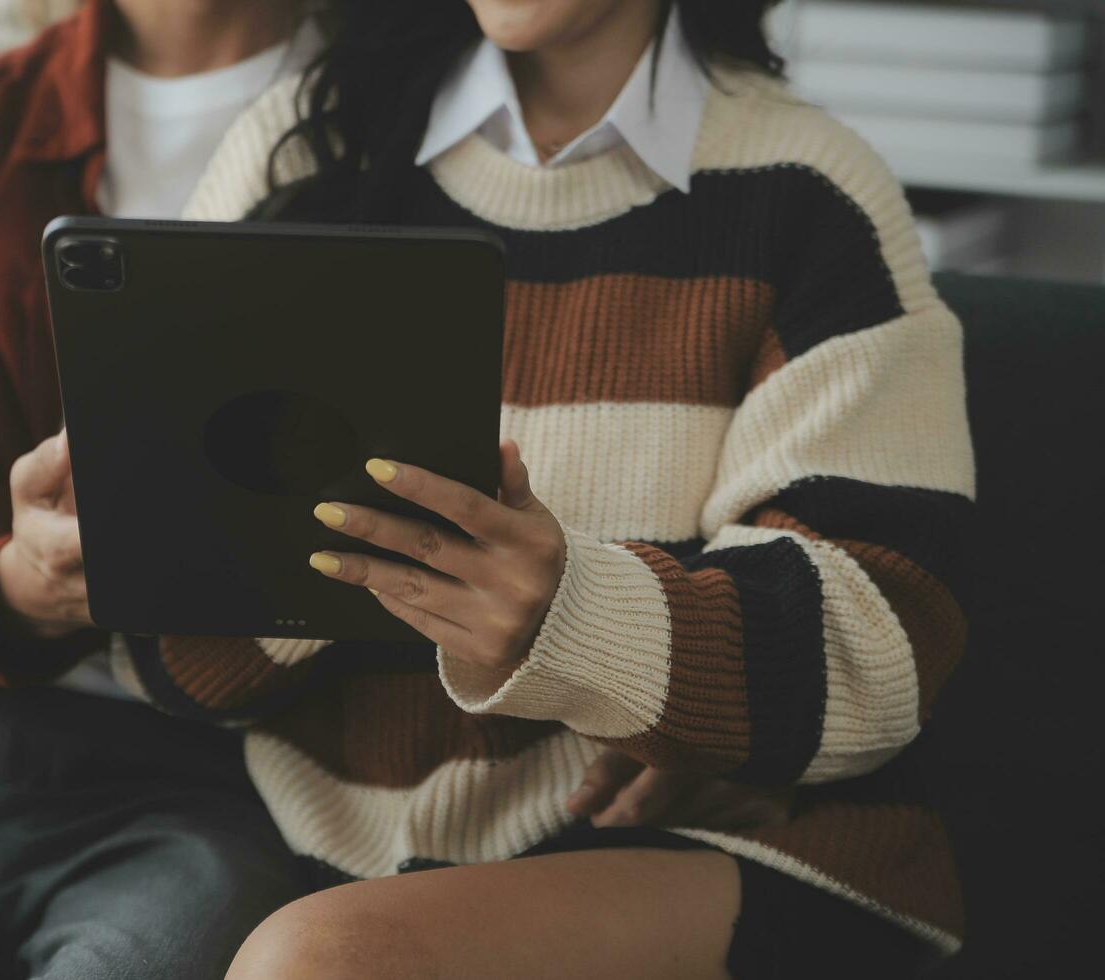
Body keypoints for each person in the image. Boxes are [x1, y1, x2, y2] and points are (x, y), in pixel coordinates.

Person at [0, 1, 770, 976]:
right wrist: (20, 584)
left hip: (231, 769)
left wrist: (647, 688)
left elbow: (589, 425)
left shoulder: (443, 117)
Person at [129, 0, 973, 977]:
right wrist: (319, 551)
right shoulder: (300, 145)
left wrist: (577, 625)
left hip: (722, 847)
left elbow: (880, 645)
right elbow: (166, 651)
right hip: (340, 848)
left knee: (320, 958)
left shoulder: (809, 188)